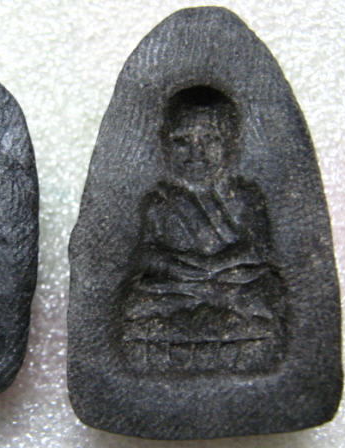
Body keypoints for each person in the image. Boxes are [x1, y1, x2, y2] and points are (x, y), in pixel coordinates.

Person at [122, 88, 286, 372]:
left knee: (262, 298)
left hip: (234, 283)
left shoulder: (245, 196)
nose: (195, 153)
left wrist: (218, 264)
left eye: (209, 139)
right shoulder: (160, 201)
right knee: (139, 306)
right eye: (182, 141)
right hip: (178, 287)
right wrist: (172, 265)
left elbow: (260, 247)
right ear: (165, 145)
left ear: (231, 143)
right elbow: (143, 254)